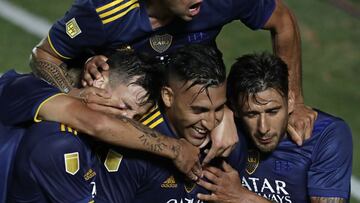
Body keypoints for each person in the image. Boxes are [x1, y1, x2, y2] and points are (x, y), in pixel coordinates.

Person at [30, 0, 316, 151]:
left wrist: (295, 102)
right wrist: (75, 98)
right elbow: (44, 56)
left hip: (191, 107)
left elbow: (283, 21)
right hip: (124, 115)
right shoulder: (102, 11)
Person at [7, 44, 244, 203]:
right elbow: (97, 123)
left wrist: (225, 113)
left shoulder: (82, 139)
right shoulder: (56, 136)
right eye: (124, 107)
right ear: (99, 79)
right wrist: (176, 149)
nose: (128, 122)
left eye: (139, 117)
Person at [197, 53, 352, 202]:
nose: (263, 128)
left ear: (291, 101)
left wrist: (243, 198)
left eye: (272, 111)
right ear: (235, 109)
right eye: (252, 114)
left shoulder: (325, 135)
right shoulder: (222, 127)